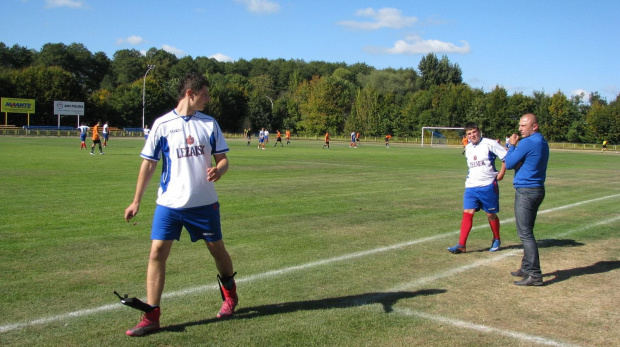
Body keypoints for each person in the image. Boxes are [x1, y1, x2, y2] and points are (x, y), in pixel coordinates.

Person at [123, 72, 238, 336]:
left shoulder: (209, 124)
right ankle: (151, 316)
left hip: (203, 203)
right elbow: (149, 163)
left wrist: (220, 169)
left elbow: (223, 159)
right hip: (169, 204)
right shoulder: (162, 124)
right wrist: (136, 200)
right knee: (156, 254)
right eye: (205, 94)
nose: (208, 99)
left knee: (217, 251)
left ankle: (230, 296)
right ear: (190, 94)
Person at [448, 122, 507, 254]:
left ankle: (496, 238)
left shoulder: (490, 143)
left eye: (474, 132)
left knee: (490, 214)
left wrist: (502, 173)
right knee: (467, 212)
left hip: (488, 185)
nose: (472, 135)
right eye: (469, 134)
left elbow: (506, 156)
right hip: (471, 186)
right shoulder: (468, 148)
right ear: (466, 136)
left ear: (479, 132)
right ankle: (461, 245)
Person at [505, 113, 549, 286]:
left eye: (523, 125)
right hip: (537, 189)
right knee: (527, 230)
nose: (520, 129)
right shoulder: (542, 141)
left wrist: (511, 145)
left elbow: (509, 164)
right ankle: (526, 267)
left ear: (534, 126)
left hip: (527, 191)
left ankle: (535, 274)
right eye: (520, 125)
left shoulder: (528, 142)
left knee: (525, 233)